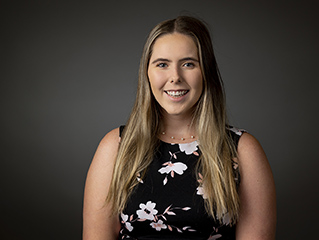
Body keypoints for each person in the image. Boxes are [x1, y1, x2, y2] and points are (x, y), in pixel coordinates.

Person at [83, 16, 276, 239]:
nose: (175, 77)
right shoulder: (116, 146)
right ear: (147, 72)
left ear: (207, 72)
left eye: (188, 64)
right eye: (162, 64)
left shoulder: (242, 150)